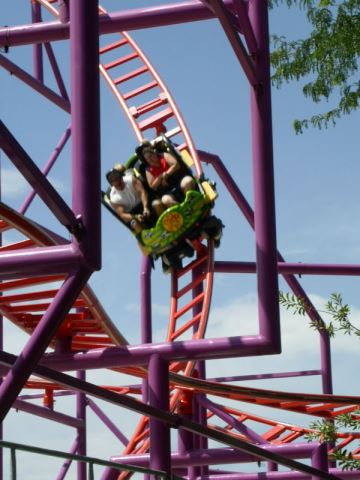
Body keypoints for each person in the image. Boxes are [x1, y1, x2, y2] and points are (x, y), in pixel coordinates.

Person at [138, 141, 196, 216]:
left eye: (150, 156)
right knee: (166, 200)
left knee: (188, 181)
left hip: (179, 181)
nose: (150, 160)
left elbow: (176, 164)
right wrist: (161, 177)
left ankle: (190, 204)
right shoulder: (148, 170)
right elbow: (152, 186)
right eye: (147, 159)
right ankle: (184, 211)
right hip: (168, 190)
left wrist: (167, 174)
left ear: (154, 153)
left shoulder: (163, 156)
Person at [106, 164, 150, 233]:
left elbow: (142, 192)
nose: (116, 180)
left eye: (116, 176)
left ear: (120, 176)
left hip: (144, 204)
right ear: (111, 183)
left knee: (157, 203)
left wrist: (145, 207)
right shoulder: (113, 198)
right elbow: (122, 214)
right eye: (113, 179)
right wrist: (135, 216)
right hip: (132, 214)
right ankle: (146, 238)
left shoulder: (130, 179)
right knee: (134, 223)